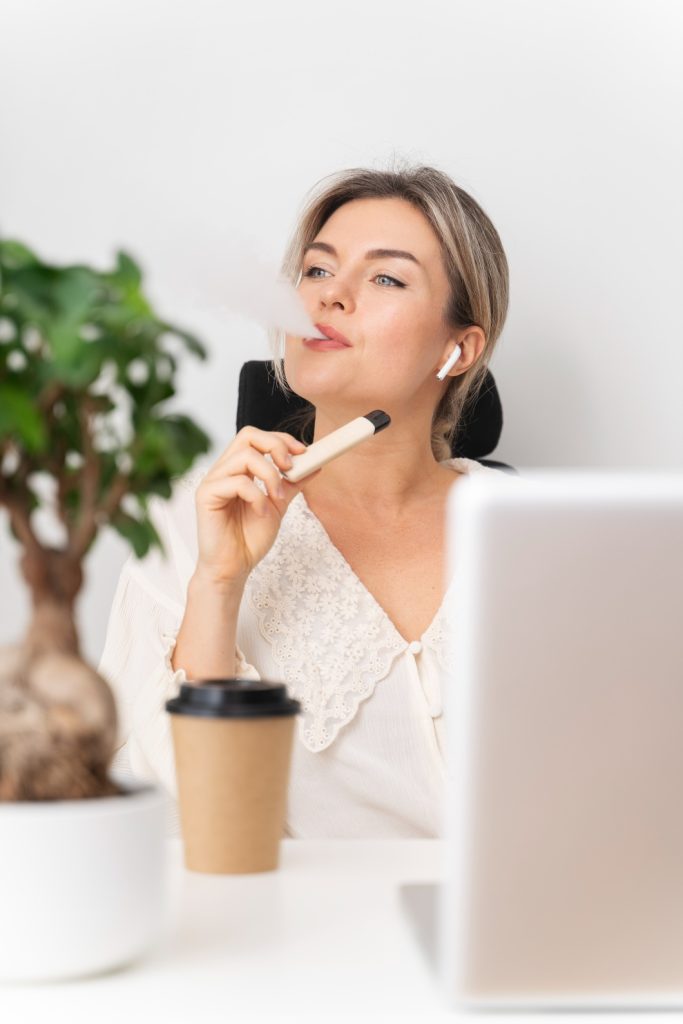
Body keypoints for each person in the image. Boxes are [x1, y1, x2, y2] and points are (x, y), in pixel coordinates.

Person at [98, 163, 510, 838]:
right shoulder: (189, 523)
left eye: (385, 278)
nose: (329, 297)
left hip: (522, 931)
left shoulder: (527, 529)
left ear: (458, 348)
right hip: (289, 933)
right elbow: (159, 814)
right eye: (317, 271)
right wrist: (219, 583)